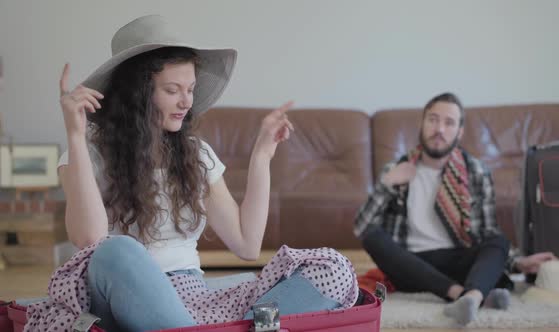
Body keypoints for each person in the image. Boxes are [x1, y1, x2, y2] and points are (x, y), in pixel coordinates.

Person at [26, 15, 358, 332]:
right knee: (115, 249)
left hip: (193, 299)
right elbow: (89, 241)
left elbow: (247, 245)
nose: (186, 102)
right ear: (137, 95)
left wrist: (262, 156)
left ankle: (196, 329)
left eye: (191, 88)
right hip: (122, 293)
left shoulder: (196, 154)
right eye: (172, 90)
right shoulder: (85, 156)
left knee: (333, 268)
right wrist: (74, 134)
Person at [354, 92, 556, 325]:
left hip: (456, 261)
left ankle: (470, 297)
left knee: (498, 240)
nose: (439, 129)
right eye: (433, 119)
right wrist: (386, 184)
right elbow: (361, 227)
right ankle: (466, 294)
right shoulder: (397, 168)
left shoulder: (476, 172)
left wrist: (517, 263)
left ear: (459, 132)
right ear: (422, 123)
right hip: (409, 265)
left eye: (449, 122)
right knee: (372, 236)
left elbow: (486, 233)